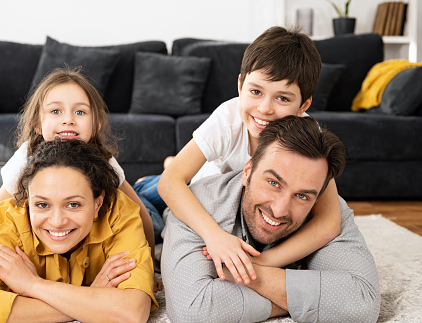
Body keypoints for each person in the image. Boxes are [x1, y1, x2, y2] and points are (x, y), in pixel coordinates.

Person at [140, 26, 342, 284]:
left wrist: (263, 263)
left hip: (214, 184)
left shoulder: (309, 140)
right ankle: (151, 178)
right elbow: (172, 182)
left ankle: (170, 162)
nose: (265, 109)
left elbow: (329, 222)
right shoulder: (228, 119)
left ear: (303, 106)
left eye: (282, 98)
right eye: (255, 92)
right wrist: (215, 236)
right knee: (147, 215)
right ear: (240, 85)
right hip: (194, 185)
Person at [161, 116, 381, 323]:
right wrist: (315, 298)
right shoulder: (198, 202)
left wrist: (250, 275)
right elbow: (190, 309)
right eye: (274, 183)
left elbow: (363, 303)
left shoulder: (329, 212)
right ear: (247, 172)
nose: (279, 210)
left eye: (302, 196)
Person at [0, 67, 161, 291]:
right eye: (56, 111)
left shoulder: (105, 161)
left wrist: (149, 268)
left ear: (96, 125)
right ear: (37, 123)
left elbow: (142, 216)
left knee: (159, 207)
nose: (68, 120)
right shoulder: (26, 158)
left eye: (80, 112)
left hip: (138, 206)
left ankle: (156, 177)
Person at [0, 139, 158, 323]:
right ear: (28, 201)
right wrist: (91, 298)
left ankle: (148, 181)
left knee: (157, 208)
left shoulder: (120, 211)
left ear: (98, 204)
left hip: (151, 211)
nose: (56, 221)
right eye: (42, 205)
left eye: (73, 204)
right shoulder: (6, 221)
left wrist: (32, 285)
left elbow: (133, 312)